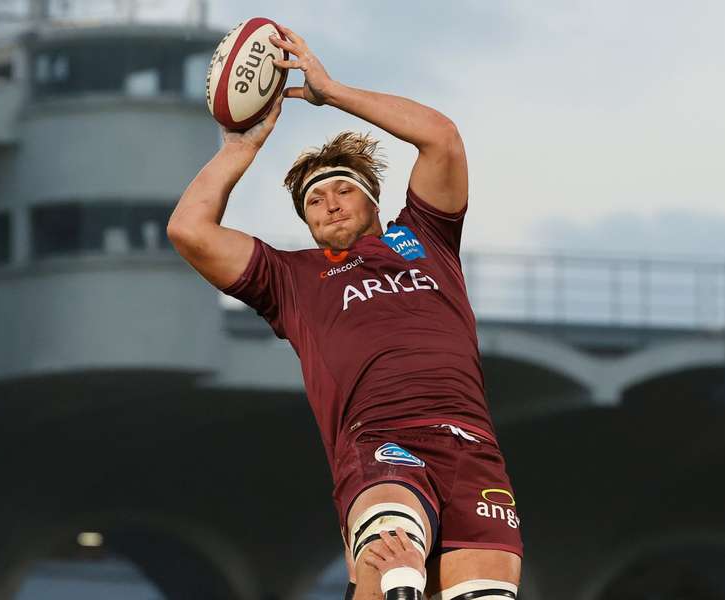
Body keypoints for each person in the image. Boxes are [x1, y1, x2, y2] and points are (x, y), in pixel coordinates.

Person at [167, 24, 522, 600]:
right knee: (393, 548)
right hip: (382, 439)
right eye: (313, 200)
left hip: (471, 445)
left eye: (341, 190)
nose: (328, 204)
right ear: (305, 223)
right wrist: (240, 148)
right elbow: (188, 230)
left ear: (373, 199)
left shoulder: (427, 238)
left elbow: (442, 139)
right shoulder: (291, 278)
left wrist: (331, 91)